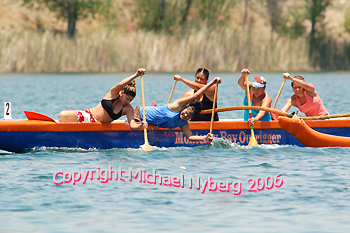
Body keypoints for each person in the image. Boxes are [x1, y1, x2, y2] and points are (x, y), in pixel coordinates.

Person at [134, 77, 222, 142]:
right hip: (140, 114)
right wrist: (212, 82)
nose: (185, 115)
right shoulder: (177, 106)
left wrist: (205, 138)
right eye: (186, 112)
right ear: (184, 108)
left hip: (147, 123)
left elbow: (190, 137)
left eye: (188, 116)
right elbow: (195, 95)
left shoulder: (183, 123)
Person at [58, 68, 148, 131]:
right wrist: (136, 75)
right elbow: (120, 84)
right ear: (122, 92)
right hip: (88, 116)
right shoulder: (113, 93)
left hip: (97, 126)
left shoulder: (128, 108)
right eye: (127, 98)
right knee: (62, 115)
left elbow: (132, 125)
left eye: (131, 100)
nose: (128, 102)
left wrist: (140, 125)